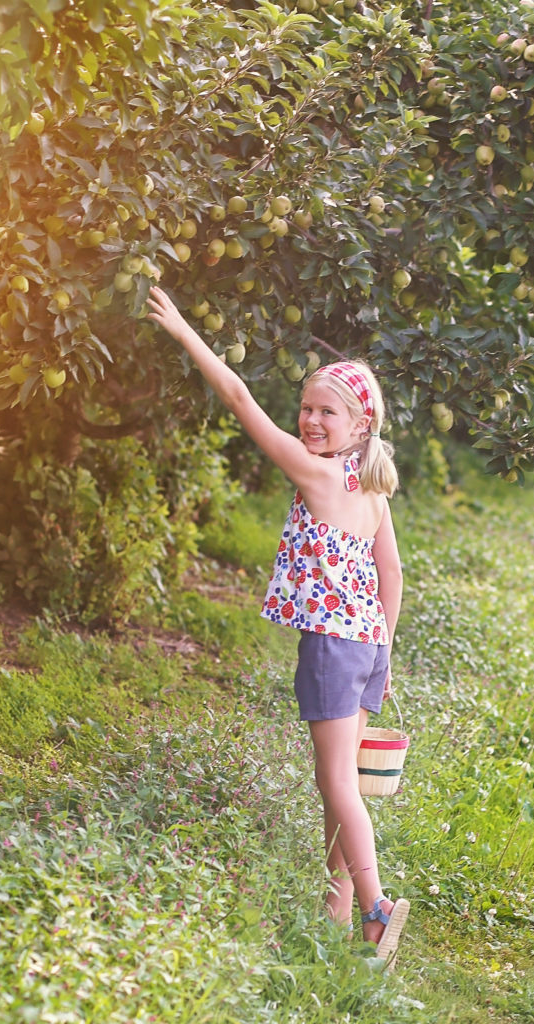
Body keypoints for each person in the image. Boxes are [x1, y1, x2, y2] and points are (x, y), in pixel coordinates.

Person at [147, 285, 410, 966]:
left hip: (330, 645)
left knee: (335, 784)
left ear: (360, 426)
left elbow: (238, 397)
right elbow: (394, 578)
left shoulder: (317, 475)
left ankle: (377, 909)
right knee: (340, 781)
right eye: (307, 408)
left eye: (328, 412)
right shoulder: (368, 489)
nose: (311, 421)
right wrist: (383, 646)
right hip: (364, 643)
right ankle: (336, 909)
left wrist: (184, 331)